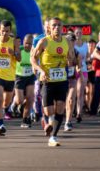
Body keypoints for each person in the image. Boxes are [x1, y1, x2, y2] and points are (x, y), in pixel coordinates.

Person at [31, 17, 72, 147]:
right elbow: (33, 59)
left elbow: (71, 58)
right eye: (54, 25)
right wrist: (40, 71)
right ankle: (47, 121)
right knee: (49, 111)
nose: (56, 28)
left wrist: (71, 62)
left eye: (59, 25)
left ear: (62, 27)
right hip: (47, 80)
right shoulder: (44, 42)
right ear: (49, 27)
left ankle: (53, 136)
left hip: (61, 80)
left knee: (60, 109)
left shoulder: (66, 42)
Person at [0, 20, 20, 135]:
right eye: (2, 31)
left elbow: (19, 58)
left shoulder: (14, 42)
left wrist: (13, 53)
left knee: (6, 102)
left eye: (7, 31)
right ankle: (0, 123)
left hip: (10, 76)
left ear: (10, 31)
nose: (4, 33)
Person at [14, 34, 34, 128]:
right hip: (19, 77)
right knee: (20, 100)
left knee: (30, 99)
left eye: (30, 44)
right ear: (23, 42)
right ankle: (15, 104)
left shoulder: (34, 51)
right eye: (26, 43)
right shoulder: (20, 49)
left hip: (30, 76)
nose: (28, 46)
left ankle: (25, 119)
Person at [64, 33, 81, 131]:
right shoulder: (60, 51)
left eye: (72, 41)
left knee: (70, 99)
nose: (70, 43)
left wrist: (78, 69)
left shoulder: (77, 53)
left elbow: (79, 66)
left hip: (72, 78)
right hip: (60, 79)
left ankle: (68, 122)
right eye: (68, 41)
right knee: (59, 102)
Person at [74, 28, 89, 123]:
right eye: (77, 33)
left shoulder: (85, 45)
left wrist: (84, 59)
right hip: (73, 70)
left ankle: (79, 113)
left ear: (82, 34)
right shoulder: (72, 45)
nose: (78, 34)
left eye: (80, 33)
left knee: (80, 92)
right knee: (73, 92)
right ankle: (72, 109)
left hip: (83, 69)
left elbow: (88, 56)